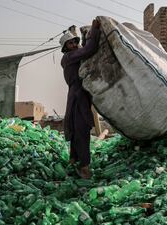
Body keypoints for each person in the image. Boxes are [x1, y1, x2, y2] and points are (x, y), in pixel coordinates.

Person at [59, 19, 101, 179]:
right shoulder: (69, 57)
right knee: (81, 130)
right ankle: (84, 166)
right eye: (70, 43)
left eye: (75, 41)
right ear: (65, 48)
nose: (74, 45)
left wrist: (85, 38)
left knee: (77, 130)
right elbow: (89, 49)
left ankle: (73, 161)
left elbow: (83, 49)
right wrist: (95, 31)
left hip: (78, 95)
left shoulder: (73, 55)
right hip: (78, 97)